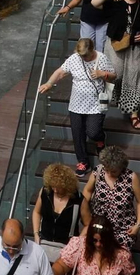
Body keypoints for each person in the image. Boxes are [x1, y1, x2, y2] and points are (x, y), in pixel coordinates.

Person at [37, 38, 113, 176]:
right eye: (81, 55)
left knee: (93, 132)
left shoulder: (101, 58)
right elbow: (60, 72)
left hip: (95, 104)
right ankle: (83, 161)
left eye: (85, 55)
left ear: (92, 50)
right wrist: (49, 83)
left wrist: (103, 74)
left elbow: (114, 76)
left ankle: (100, 139)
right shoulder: (74, 58)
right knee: (77, 133)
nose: (83, 57)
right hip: (77, 104)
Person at [92, 0, 140, 129]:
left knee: (134, 77)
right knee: (114, 74)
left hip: (136, 47)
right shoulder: (116, 2)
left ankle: (133, 113)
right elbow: (95, 3)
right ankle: (103, 105)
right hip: (116, 45)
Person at [80, 146, 140, 254]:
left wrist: (138, 225)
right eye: (107, 170)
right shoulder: (98, 171)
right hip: (99, 226)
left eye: (114, 171)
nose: (110, 173)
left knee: (115, 258)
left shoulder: (131, 177)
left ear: (122, 167)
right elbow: (87, 191)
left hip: (122, 229)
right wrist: (84, 212)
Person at [31, 162, 82, 260]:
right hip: (44, 243)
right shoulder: (45, 192)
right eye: (53, 186)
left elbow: (88, 224)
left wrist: (75, 243)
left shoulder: (78, 199)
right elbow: (36, 212)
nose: (55, 190)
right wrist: (36, 234)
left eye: (59, 187)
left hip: (66, 248)